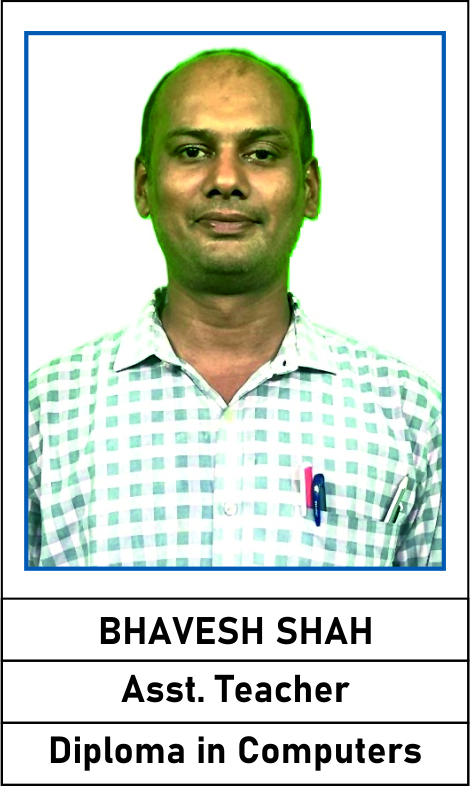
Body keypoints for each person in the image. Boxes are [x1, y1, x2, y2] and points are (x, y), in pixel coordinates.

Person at [28, 48, 442, 568]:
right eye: (192, 151)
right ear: (143, 186)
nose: (226, 179)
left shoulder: (411, 414)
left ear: (309, 190)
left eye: (261, 154)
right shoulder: (42, 414)